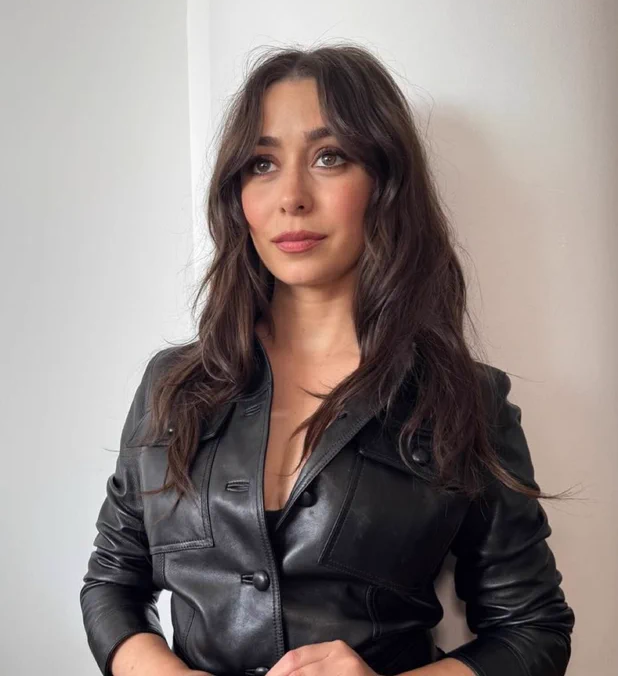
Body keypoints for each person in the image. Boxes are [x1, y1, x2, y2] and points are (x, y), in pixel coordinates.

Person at [80, 43, 575, 676]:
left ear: (385, 184)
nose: (291, 196)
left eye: (329, 157)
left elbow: (533, 630)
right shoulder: (174, 387)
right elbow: (111, 583)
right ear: (238, 196)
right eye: (262, 163)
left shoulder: (462, 401)